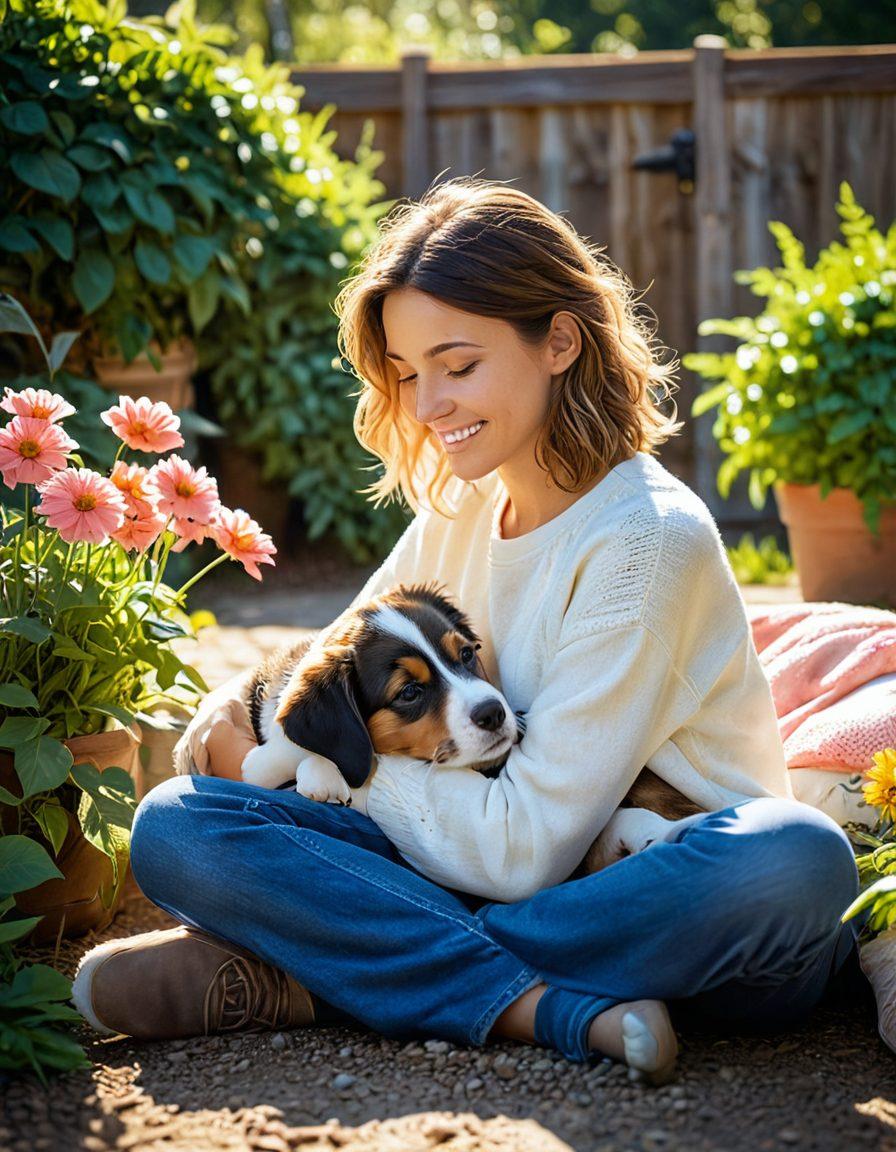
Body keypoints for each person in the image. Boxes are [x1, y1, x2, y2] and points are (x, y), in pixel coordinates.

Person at [72, 177, 861, 1085]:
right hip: (472, 861)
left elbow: (524, 850)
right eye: (407, 374)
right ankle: (519, 998)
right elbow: (329, 671)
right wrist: (235, 708)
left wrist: (332, 770)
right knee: (179, 826)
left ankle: (327, 975)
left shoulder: (647, 541)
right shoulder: (465, 507)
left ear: (559, 340)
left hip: (663, 903)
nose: (426, 405)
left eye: (458, 365)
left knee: (798, 861)